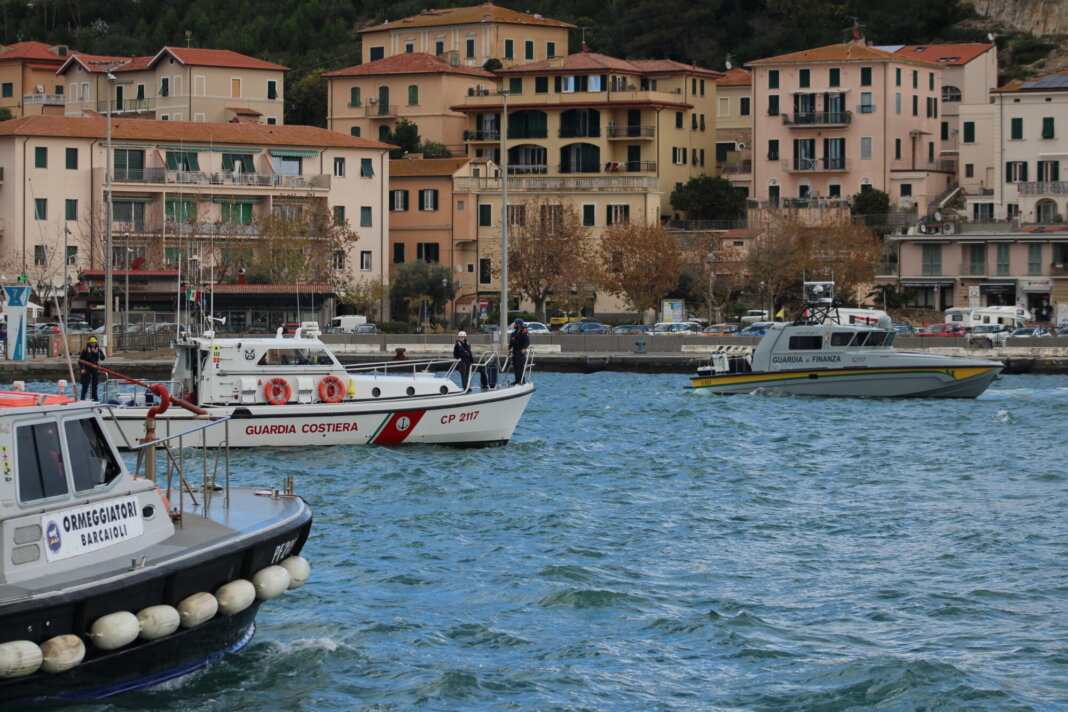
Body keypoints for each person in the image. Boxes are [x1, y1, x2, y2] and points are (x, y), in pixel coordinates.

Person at [79, 336, 105, 401]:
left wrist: (96, 353)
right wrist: (82, 368)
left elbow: (102, 358)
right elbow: (80, 360)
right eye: (91, 343)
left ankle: (95, 399)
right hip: (86, 368)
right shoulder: (85, 349)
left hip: (95, 367)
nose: (93, 344)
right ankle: (82, 399)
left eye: (94, 343)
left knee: (95, 385)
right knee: (85, 384)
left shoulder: (98, 349)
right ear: (89, 343)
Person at [508, 318, 530, 385]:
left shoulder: (523, 331)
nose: (515, 325)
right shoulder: (515, 332)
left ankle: (521, 380)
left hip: (520, 351)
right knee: (515, 365)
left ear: (519, 324)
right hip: (515, 350)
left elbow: (527, 341)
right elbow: (512, 341)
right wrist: (509, 348)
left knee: (519, 366)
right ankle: (517, 380)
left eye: (516, 324)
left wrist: (524, 348)